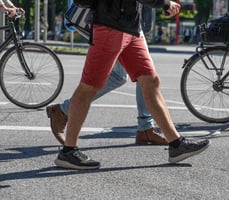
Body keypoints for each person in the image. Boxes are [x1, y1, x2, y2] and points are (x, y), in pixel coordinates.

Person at [54, 0, 210, 170]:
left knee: (150, 81)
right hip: (110, 25)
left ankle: (176, 145)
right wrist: (164, 3)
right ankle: (68, 151)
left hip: (131, 27)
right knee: (89, 87)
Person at [47, 6, 167, 146]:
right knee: (122, 76)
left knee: (145, 75)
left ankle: (147, 128)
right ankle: (63, 118)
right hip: (110, 19)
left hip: (128, 21)